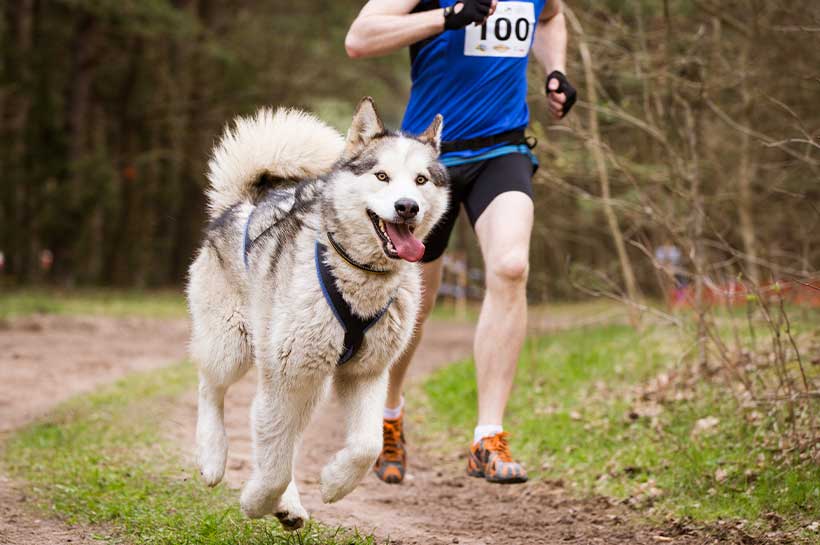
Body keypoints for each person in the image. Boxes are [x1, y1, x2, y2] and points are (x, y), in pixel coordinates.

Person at [345, 0, 576, 484]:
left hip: (503, 148)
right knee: (417, 302)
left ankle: (487, 438)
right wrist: (446, 17)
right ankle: (389, 416)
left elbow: (552, 16)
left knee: (512, 267)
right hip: (427, 160)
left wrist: (555, 69)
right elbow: (359, 39)